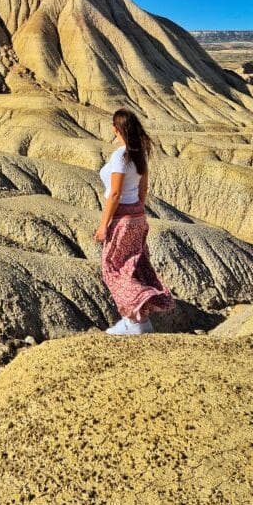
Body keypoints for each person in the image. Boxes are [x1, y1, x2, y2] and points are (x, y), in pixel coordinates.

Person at [94, 108, 175, 335]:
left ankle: (133, 321)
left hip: (122, 217)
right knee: (133, 266)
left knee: (113, 268)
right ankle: (140, 322)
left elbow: (115, 194)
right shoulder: (140, 153)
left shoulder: (120, 155)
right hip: (138, 216)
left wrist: (104, 225)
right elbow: (143, 188)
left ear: (115, 128)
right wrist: (137, 209)